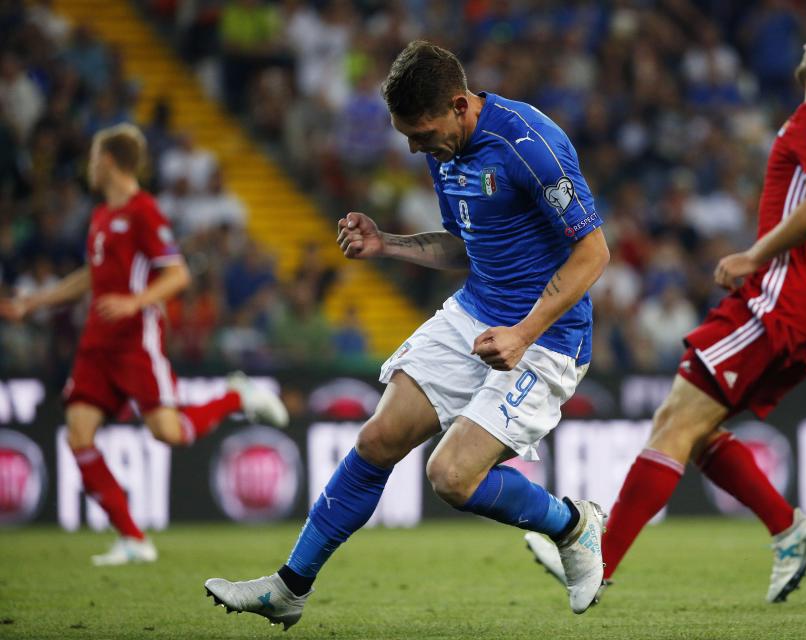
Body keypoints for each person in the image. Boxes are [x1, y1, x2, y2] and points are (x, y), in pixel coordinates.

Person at [204, 40, 610, 629]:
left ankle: (574, 526)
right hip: (476, 313)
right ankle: (289, 588)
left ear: (457, 103)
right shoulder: (444, 147)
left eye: (421, 133)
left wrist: (523, 332)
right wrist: (387, 244)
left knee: (450, 477)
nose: (417, 148)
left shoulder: (529, 144)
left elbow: (593, 251)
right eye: (408, 137)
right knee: (378, 438)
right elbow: (464, 245)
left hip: (546, 338)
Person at [525, 7, 806, 608]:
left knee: (675, 421)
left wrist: (755, 256)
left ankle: (597, 559)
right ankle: (786, 527)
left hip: (779, 297)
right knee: (695, 428)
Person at [0, 123, 288, 565]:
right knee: (79, 436)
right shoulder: (100, 217)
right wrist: (36, 302)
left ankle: (236, 396)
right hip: (97, 343)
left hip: (137, 341)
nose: (90, 167)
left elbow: (177, 274)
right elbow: (92, 277)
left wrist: (135, 302)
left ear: (109, 161)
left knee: (167, 432)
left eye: (95, 158)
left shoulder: (143, 211)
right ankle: (133, 538)